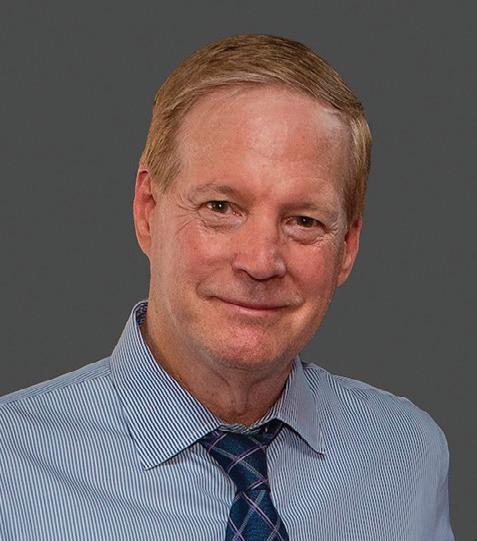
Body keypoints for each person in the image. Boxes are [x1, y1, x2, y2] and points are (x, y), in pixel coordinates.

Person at [0, 34, 454, 540]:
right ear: (148, 211)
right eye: (220, 208)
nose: (260, 262)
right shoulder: (11, 468)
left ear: (346, 246)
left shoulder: (406, 455)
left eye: (304, 220)